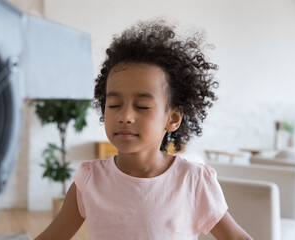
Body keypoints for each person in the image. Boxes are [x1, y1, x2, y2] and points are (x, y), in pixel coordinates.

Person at [35, 19, 253, 240]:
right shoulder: (89, 181)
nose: (125, 116)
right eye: (114, 105)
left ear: (173, 118)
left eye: (142, 107)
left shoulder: (193, 181)